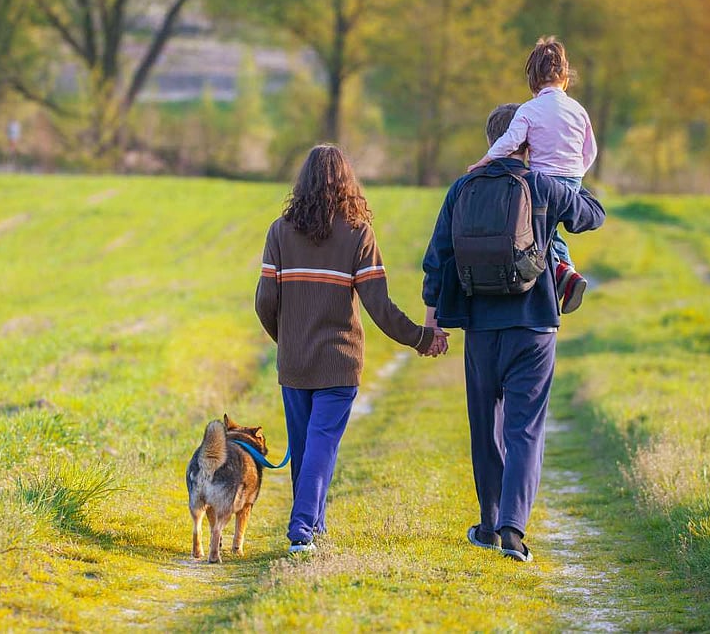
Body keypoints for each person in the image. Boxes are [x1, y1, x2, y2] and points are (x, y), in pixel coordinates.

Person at [424, 103, 605, 562]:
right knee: (525, 429)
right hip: (535, 326)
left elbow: (438, 257)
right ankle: (513, 531)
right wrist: (566, 171)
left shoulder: (462, 188)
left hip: (481, 328)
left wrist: (434, 320)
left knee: (485, 428)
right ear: (528, 141)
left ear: (492, 141)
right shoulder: (540, 185)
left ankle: (487, 524)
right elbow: (593, 215)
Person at [256, 144, 449, 553]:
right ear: (347, 183)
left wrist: (287, 339)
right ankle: (303, 529)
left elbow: (264, 303)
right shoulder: (358, 232)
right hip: (340, 363)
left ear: (303, 182)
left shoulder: (280, 231)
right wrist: (420, 336)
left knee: (307, 448)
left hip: (295, 361)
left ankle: (312, 526)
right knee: (319, 446)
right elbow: (379, 305)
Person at [466, 37, 597, 315]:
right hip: (573, 180)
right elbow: (590, 148)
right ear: (565, 78)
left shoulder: (529, 109)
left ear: (533, 80)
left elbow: (509, 142)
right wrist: (578, 174)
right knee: (553, 231)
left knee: (541, 235)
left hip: (540, 181)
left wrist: (485, 160)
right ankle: (566, 272)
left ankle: (564, 274)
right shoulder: (579, 110)